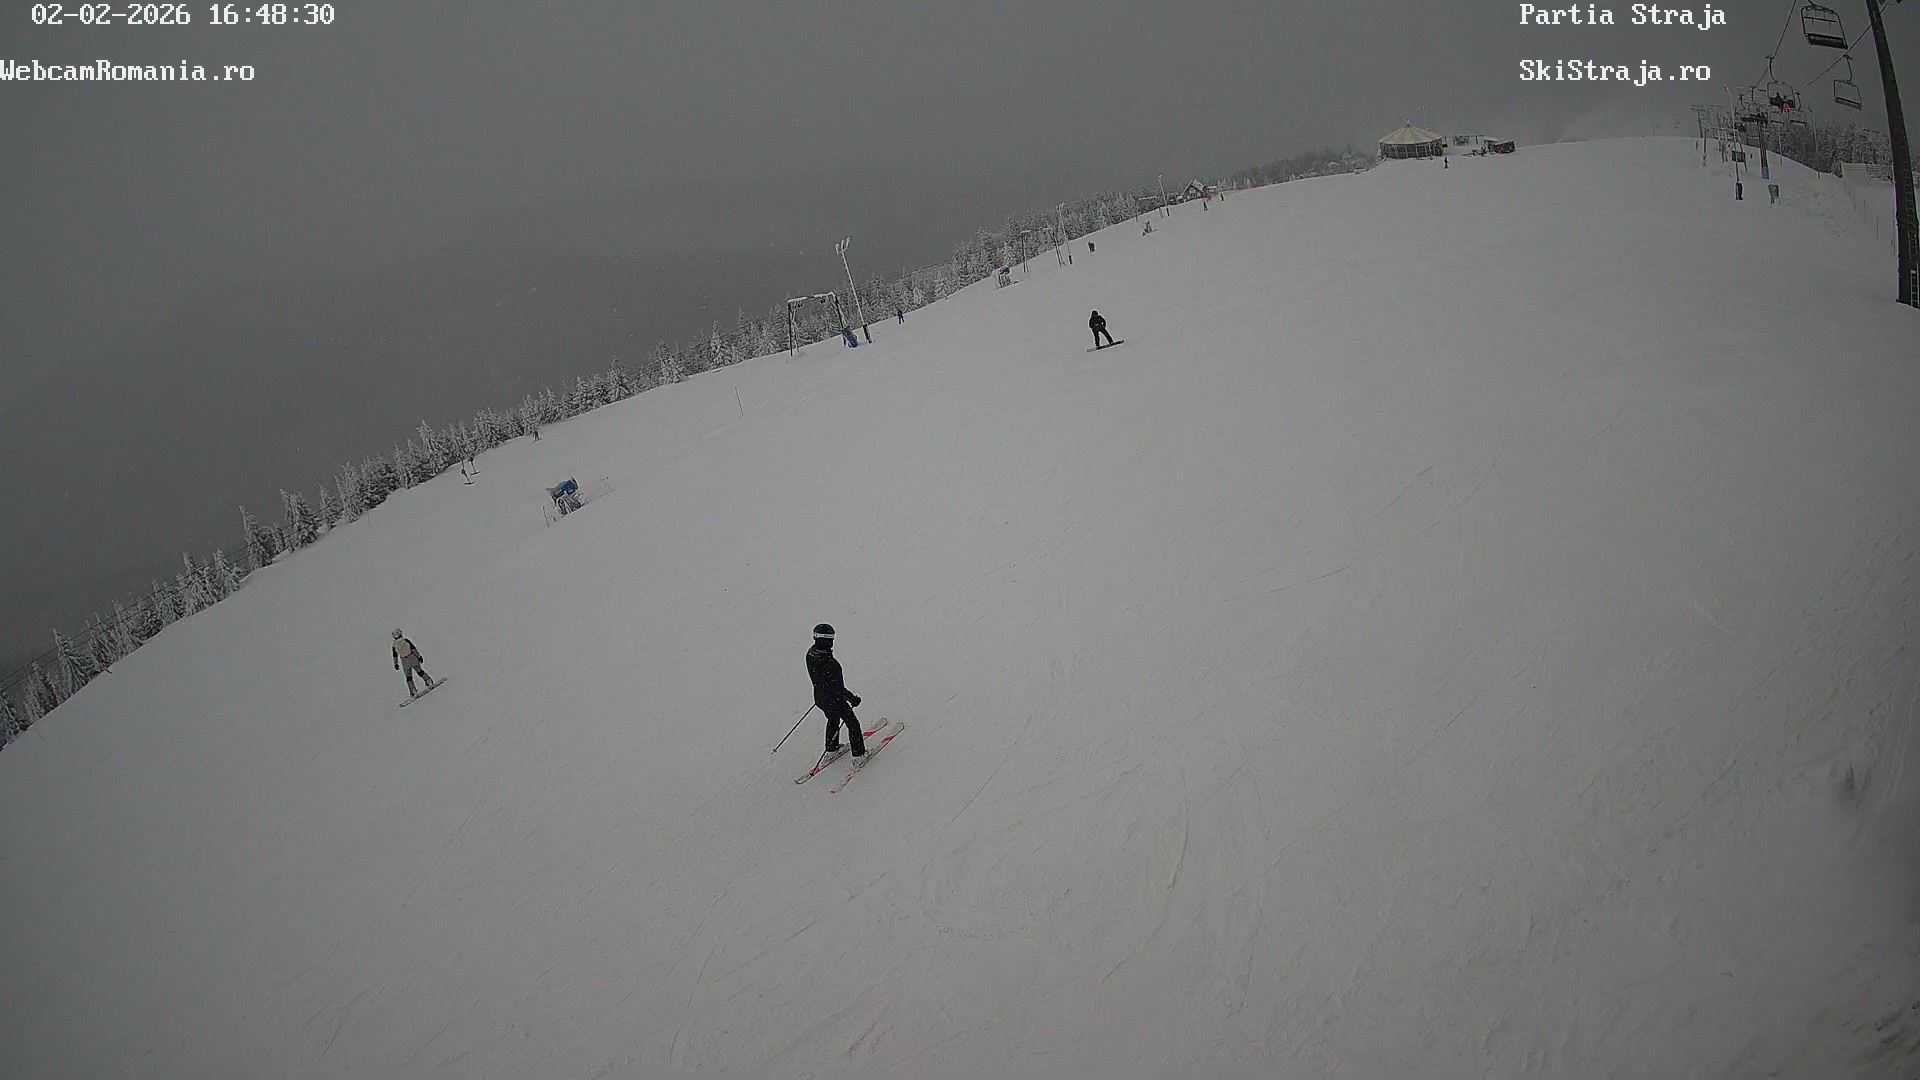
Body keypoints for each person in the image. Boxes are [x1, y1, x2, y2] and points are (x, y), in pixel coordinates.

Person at [806, 623, 865, 758]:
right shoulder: (831, 664)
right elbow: (837, 688)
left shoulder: (810, 655)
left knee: (833, 719)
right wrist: (852, 698)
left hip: (820, 698)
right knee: (853, 724)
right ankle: (859, 755)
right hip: (835, 700)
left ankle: (832, 749)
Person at [392, 629, 437, 696]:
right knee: (419, 671)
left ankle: (413, 690)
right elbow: (413, 649)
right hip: (412, 657)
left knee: (408, 677)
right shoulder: (405, 640)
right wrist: (419, 656)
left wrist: (396, 664)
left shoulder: (394, 645)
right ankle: (428, 681)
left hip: (404, 660)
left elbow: (395, 656)